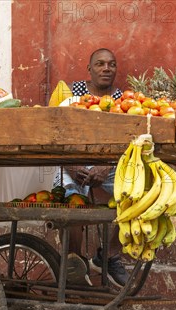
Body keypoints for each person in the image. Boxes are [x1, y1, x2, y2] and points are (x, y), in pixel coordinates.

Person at [54, 48, 129, 288]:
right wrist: (74, 167)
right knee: (73, 201)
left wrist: (105, 167)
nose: (106, 68)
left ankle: (108, 256)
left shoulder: (124, 101)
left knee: (140, 195)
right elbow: (54, 138)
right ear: (89, 69)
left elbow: (129, 143)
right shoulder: (71, 96)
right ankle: (75, 262)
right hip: (72, 162)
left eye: (111, 64)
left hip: (107, 165)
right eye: (100, 64)